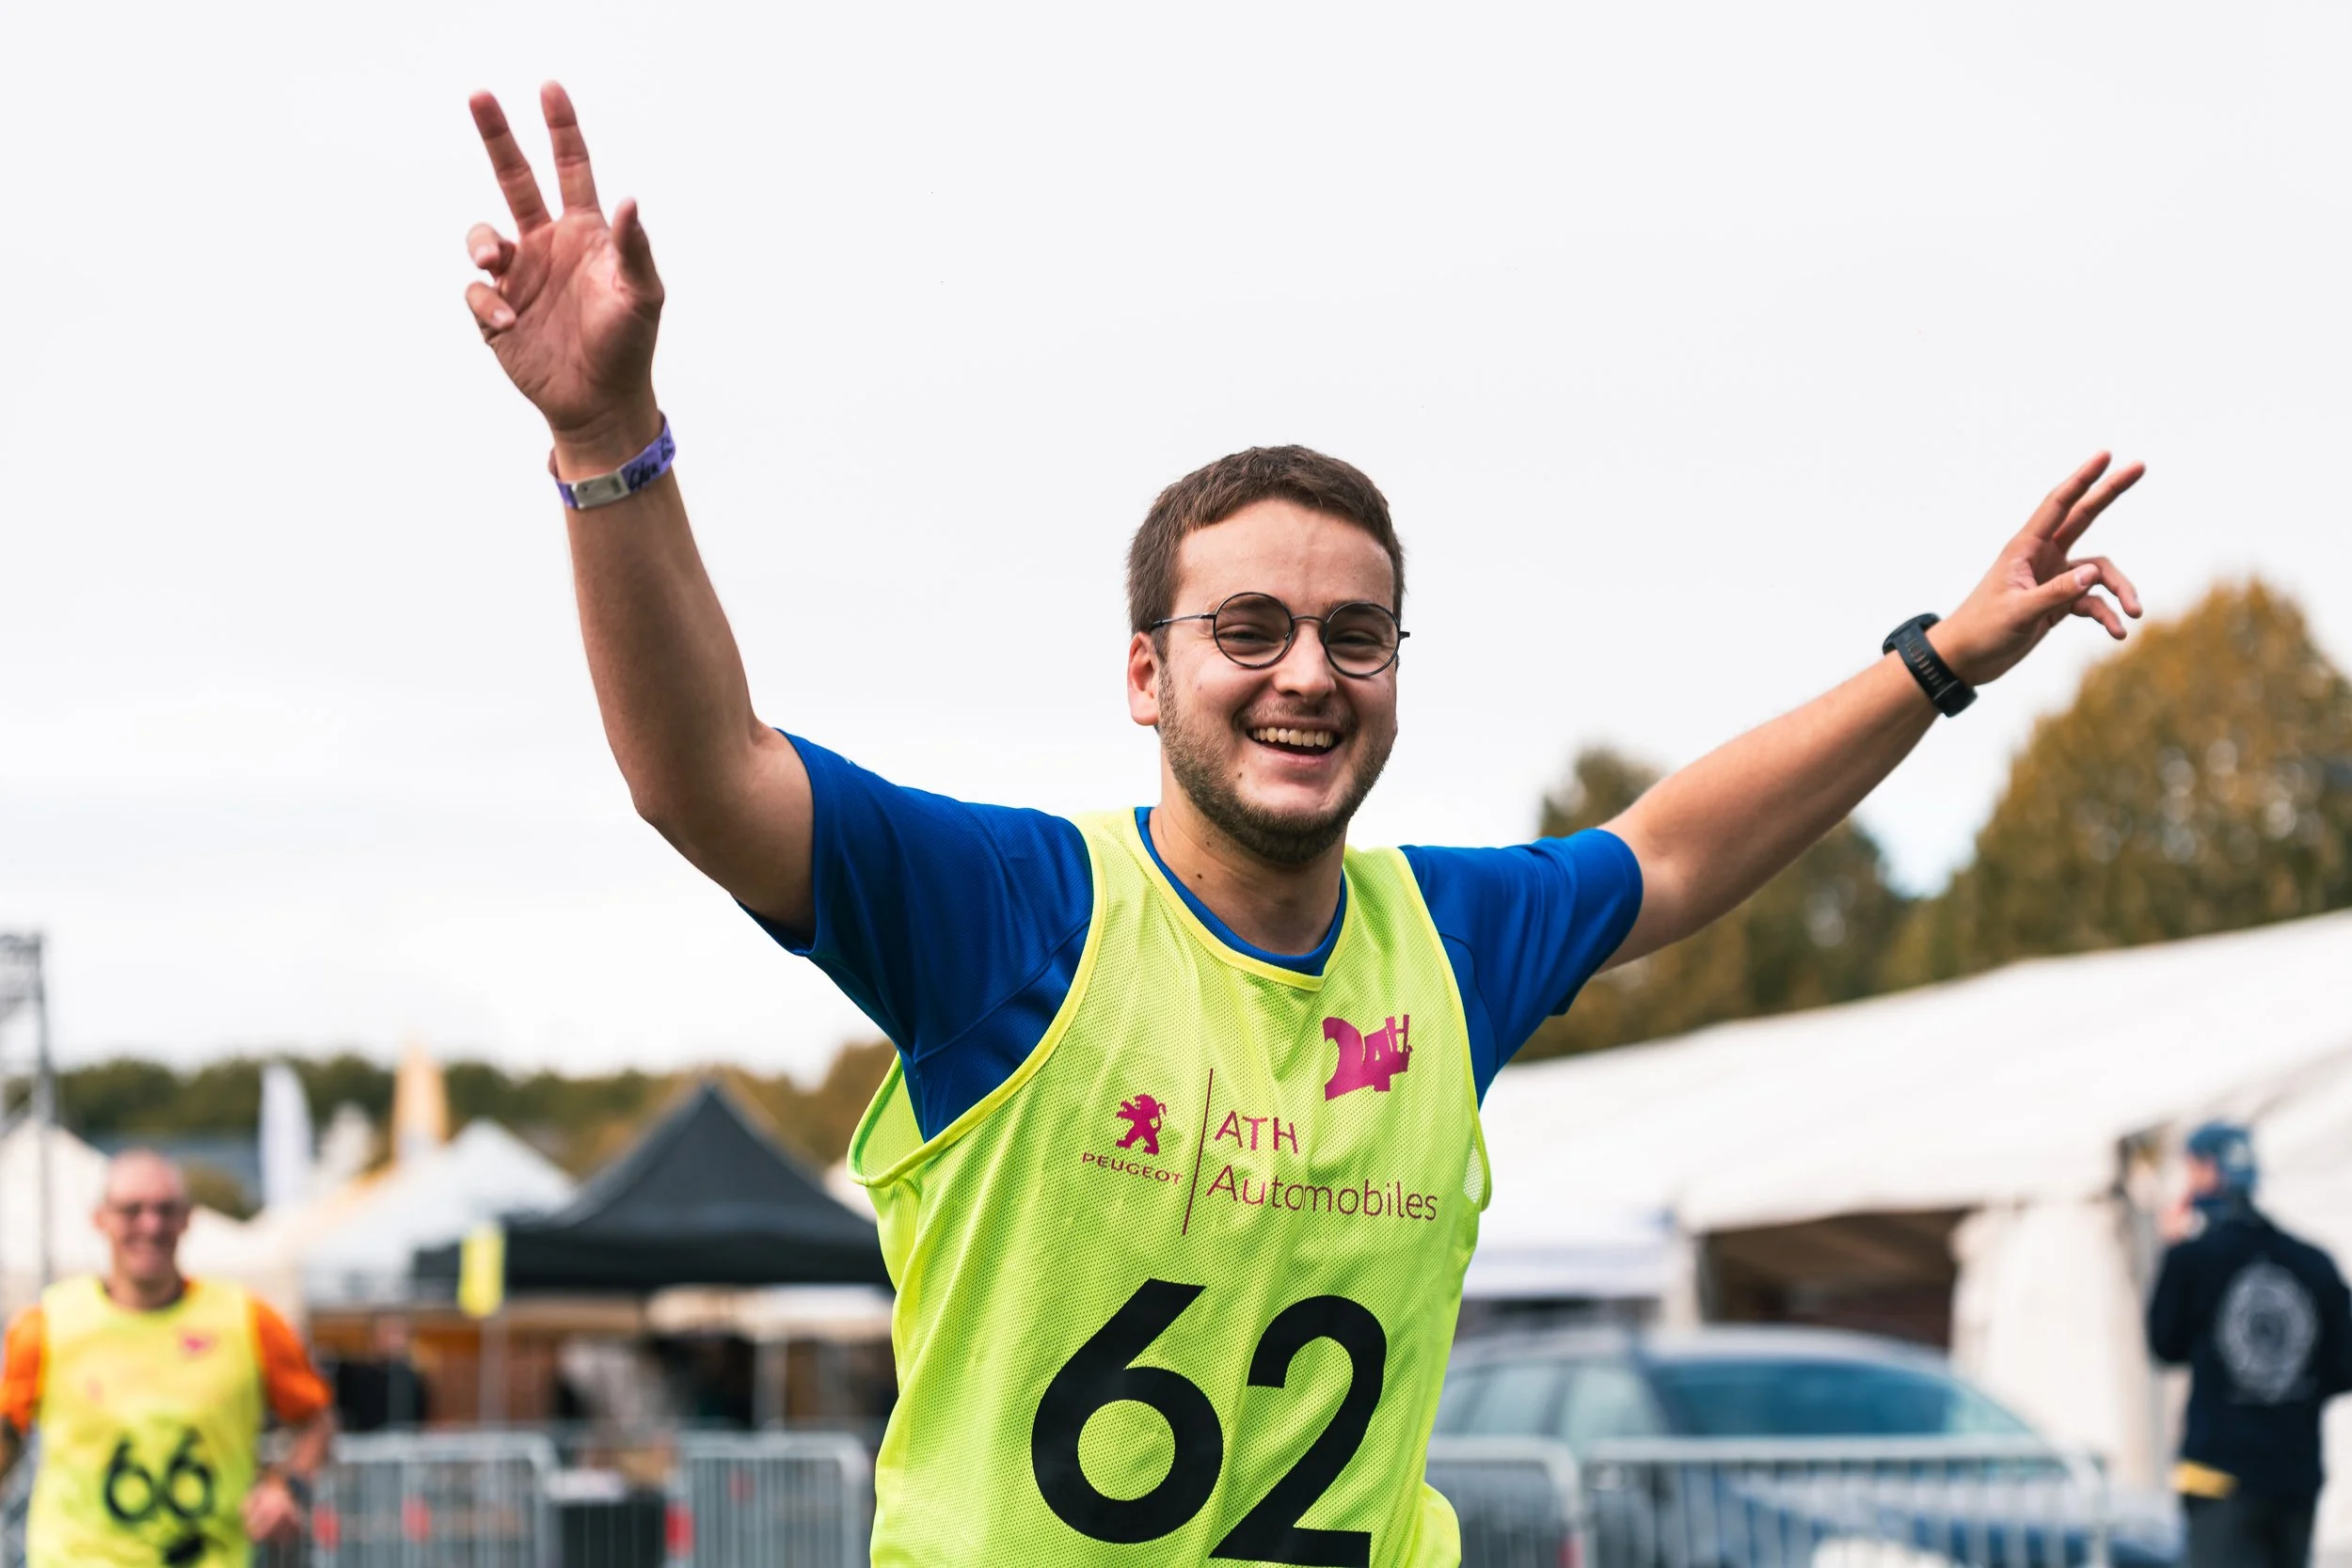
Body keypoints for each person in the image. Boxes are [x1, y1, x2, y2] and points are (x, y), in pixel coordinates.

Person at [459, 82, 2145, 1568]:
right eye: (1247, 629)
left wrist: (1935, 663)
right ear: (1145, 671)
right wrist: (608, 442)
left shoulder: (1449, 941)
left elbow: (1680, 845)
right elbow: (703, 777)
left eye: (1357, 634)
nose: (1308, 675)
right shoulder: (1019, 913)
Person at [0, 1151, 335, 1568]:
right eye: (131, 1211)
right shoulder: (45, 1325)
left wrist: (287, 1486)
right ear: (99, 1219)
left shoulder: (248, 1320)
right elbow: (7, 1438)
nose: (151, 1225)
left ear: (187, 1219)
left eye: (165, 1210)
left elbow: (316, 1421)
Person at [2150, 1122, 2352, 1568]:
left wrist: (2172, 1247)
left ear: (2205, 1172)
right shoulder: (2312, 1262)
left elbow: (2164, 1344)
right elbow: (2343, 1368)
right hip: (2295, 1473)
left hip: (2218, 1474)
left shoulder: (2193, 1259)